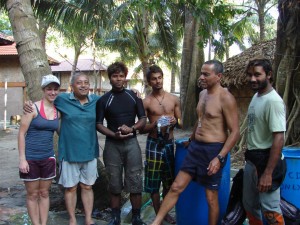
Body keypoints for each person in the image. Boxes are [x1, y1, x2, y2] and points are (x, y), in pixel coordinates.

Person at [150, 60, 240, 225]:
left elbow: (235, 132)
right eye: (201, 73)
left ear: (218, 76)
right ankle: (156, 222)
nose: (201, 77)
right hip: (195, 148)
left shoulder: (226, 98)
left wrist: (220, 158)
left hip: (213, 151)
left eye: (206, 74)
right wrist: (191, 139)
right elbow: (201, 121)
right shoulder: (202, 94)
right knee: (176, 186)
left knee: (210, 197)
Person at [24, 73, 100, 225]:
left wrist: (134, 93)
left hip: (90, 151)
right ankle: (72, 219)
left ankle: (88, 219)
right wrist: (27, 103)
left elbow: (114, 100)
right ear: (72, 86)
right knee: (70, 188)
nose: (83, 85)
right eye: (79, 83)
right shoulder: (62, 99)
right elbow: (44, 102)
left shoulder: (97, 100)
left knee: (87, 186)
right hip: (69, 151)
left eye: (86, 82)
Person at [96, 62, 147, 225]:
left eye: (121, 76)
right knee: (114, 183)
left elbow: (143, 119)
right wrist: (114, 135)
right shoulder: (104, 100)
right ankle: (115, 217)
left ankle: (136, 217)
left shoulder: (134, 96)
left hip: (132, 144)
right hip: (112, 145)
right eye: (115, 76)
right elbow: (98, 124)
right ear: (109, 78)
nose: (118, 79)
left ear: (125, 77)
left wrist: (131, 128)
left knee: (135, 181)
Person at [243, 58, 286, 225]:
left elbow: (279, 137)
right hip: (252, 159)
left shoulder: (273, 101)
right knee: (250, 205)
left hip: (267, 161)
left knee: (270, 209)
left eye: (257, 75)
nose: (252, 79)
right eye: (250, 75)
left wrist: (268, 173)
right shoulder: (257, 96)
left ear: (269, 75)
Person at [141, 65, 181, 224]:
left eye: (159, 78)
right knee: (153, 182)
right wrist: (155, 124)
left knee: (169, 180)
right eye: (154, 79)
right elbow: (142, 129)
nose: (157, 81)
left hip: (169, 143)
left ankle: (164, 211)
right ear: (149, 81)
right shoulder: (146, 102)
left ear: (163, 78)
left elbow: (182, 122)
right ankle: (159, 213)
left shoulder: (174, 99)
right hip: (153, 143)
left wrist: (175, 121)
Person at [18, 74, 60, 225]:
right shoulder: (32, 108)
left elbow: (62, 133)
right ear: (43, 90)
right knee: (32, 194)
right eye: (49, 89)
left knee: (44, 193)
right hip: (30, 158)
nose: (52, 92)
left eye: (55, 89)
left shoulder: (57, 111)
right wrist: (22, 159)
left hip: (48, 157)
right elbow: (21, 133)